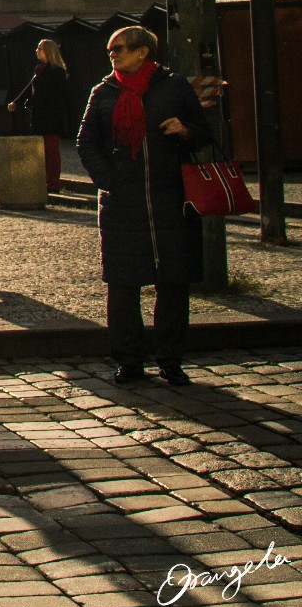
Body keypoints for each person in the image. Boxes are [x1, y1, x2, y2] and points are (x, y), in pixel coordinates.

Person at [76, 26, 212, 387]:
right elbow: (86, 143)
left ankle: (170, 359)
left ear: (143, 52)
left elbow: (204, 132)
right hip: (123, 201)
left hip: (171, 197)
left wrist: (184, 130)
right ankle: (129, 360)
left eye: (120, 49)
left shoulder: (174, 86)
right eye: (111, 50)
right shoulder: (103, 92)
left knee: (174, 282)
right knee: (122, 284)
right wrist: (110, 179)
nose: (114, 55)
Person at [9, 37, 72, 194]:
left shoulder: (57, 71)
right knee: (39, 152)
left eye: (39, 49)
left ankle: (53, 183)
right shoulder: (39, 68)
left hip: (51, 116)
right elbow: (29, 87)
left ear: (48, 51)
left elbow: (62, 96)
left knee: (51, 151)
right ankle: (42, 181)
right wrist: (16, 102)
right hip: (38, 115)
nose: (36, 51)